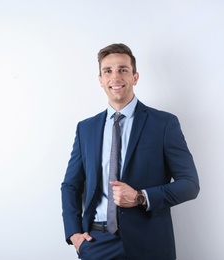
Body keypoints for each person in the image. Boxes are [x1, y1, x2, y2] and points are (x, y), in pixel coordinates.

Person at [61, 43, 200, 260]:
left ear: (135, 77)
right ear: (100, 80)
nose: (115, 77)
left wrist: (140, 197)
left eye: (123, 69)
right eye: (108, 71)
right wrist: (74, 234)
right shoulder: (85, 129)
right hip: (97, 243)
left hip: (150, 243)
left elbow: (190, 184)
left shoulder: (163, 124)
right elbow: (71, 185)